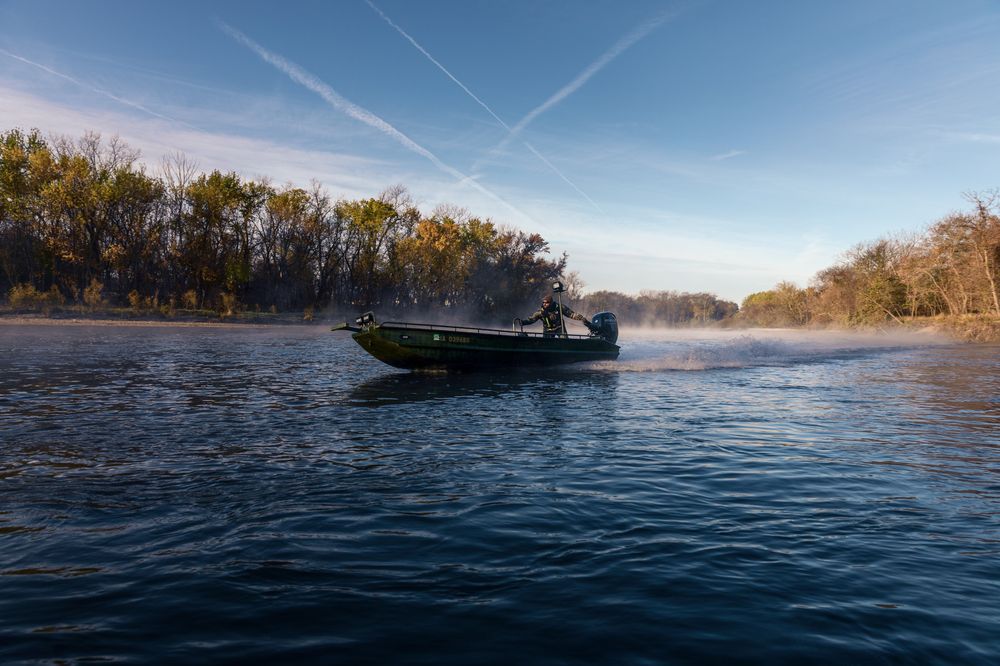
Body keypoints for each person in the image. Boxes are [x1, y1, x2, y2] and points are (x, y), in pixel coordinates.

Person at [519, 294, 597, 337]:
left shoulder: (559, 307)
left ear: (551, 303)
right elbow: (531, 319)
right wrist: (523, 322)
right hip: (547, 330)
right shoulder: (540, 312)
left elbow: (571, 314)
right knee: (546, 344)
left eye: (547, 302)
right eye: (543, 302)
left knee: (565, 343)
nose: (544, 304)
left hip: (560, 328)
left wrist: (580, 318)